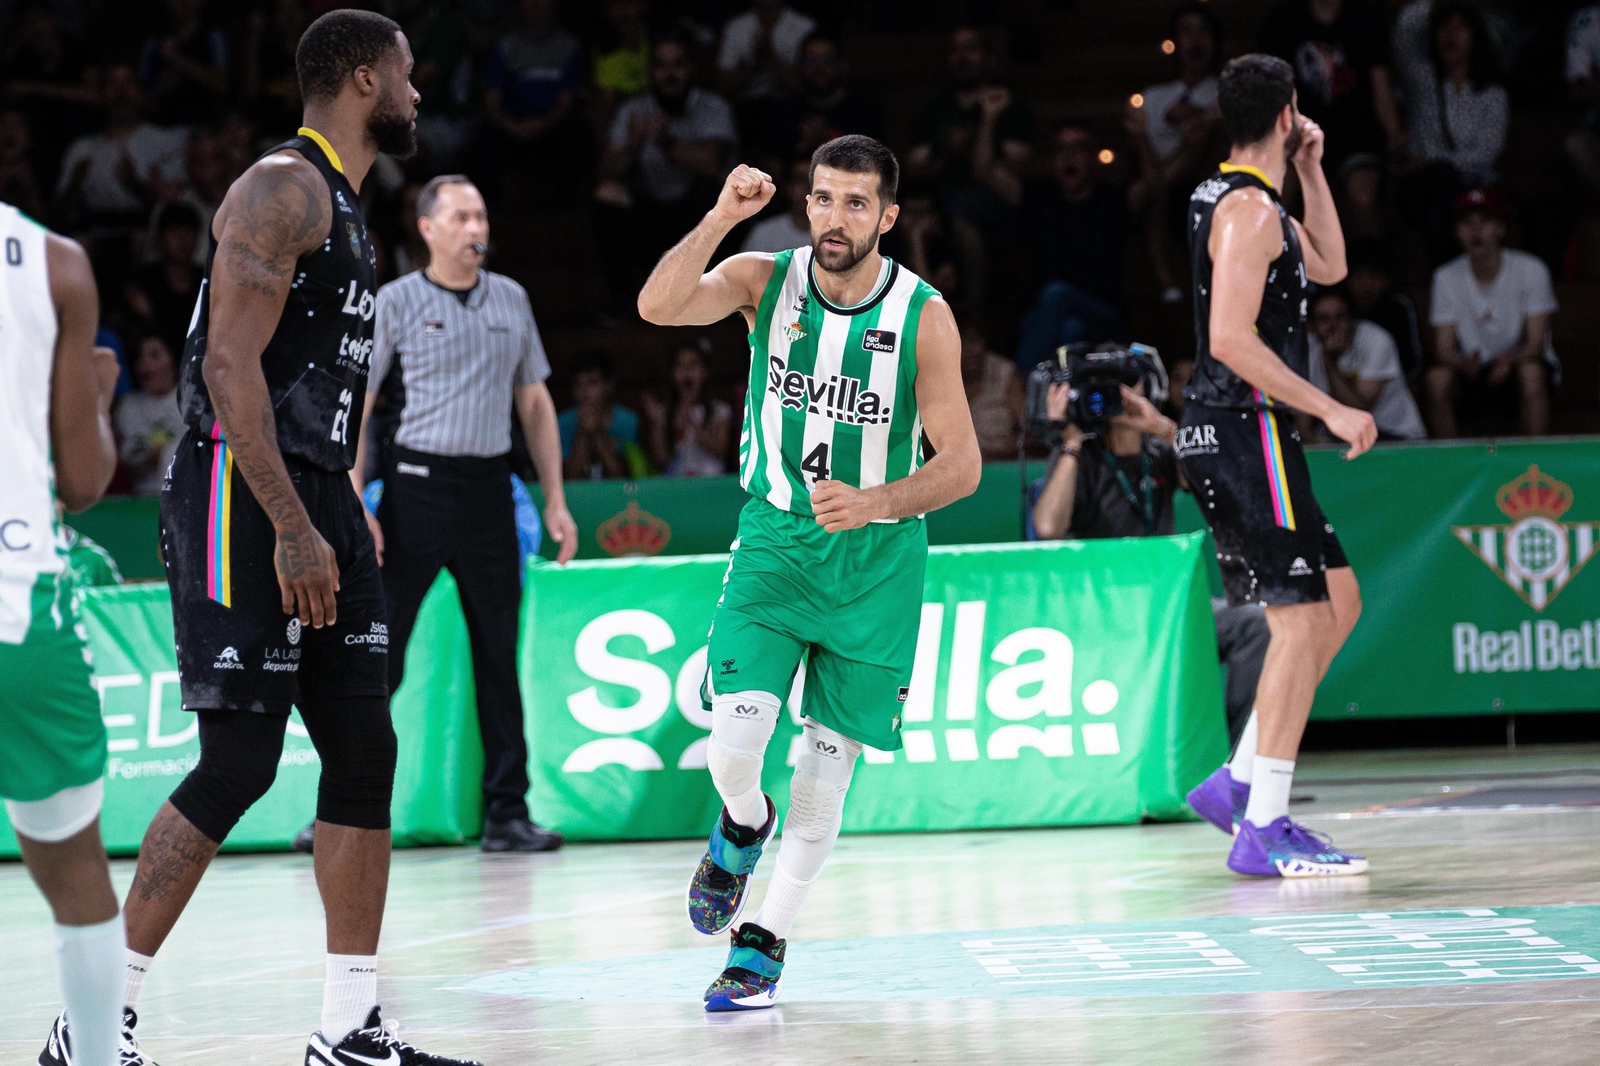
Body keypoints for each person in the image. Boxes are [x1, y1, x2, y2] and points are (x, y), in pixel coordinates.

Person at [38, 12, 481, 1065]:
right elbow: (227, 368)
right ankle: (91, 1026)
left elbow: (314, 382)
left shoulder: (350, 208)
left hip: (317, 490)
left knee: (364, 749)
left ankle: (348, 1028)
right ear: (363, 79)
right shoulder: (283, 187)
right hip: (241, 489)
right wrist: (289, 524)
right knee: (238, 758)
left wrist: (340, 505)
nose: (417, 95)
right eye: (407, 76)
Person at [637, 136, 982, 1010]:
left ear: (887, 217)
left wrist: (877, 501)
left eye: (856, 203)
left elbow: (964, 464)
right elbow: (657, 306)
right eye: (823, 198)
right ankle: (743, 821)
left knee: (825, 782)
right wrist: (722, 215)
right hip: (777, 543)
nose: (835, 217)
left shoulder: (923, 315)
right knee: (737, 741)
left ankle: (763, 940)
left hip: (877, 563)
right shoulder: (767, 280)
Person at [311, 173, 577, 855]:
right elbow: (361, 405)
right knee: (380, 651)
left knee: (498, 655)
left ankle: (507, 813)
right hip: (415, 489)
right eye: (460, 217)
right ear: (426, 228)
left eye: (480, 215)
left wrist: (554, 498)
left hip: (488, 490)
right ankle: (340, 805)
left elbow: (535, 403)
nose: (475, 228)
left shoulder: (511, 298)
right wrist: (355, 501)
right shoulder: (395, 301)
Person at [1176, 55, 1376, 878]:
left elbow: (1330, 265)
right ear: (1289, 112)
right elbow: (1229, 337)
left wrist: (1313, 169)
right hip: (1240, 429)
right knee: (1298, 621)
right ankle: (1264, 824)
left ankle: (1238, 781)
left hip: (1248, 431)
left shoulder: (1242, 197)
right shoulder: (1249, 212)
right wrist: (1330, 407)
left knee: (1338, 601)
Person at [3, 202, 126, 1066]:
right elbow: (83, 481)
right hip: (18, 602)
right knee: (75, 871)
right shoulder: (54, 264)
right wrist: (98, 397)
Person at [1030, 373, 1268, 742]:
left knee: (1255, 623)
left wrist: (1164, 429)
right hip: (1104, 606)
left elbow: (1222, 487)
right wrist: (1071, 442)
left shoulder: (1160, 451)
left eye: (1129, 384)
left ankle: (1233, 755)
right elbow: (1047, 527)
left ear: (1149, 390)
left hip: (1167, 604)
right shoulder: (1078, 457)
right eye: (1109, 387)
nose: (1119, 395)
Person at [597, 37, 739, 301]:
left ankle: (707, 300)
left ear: (692, 68)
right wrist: (632, 148)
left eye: (678, 64)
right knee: (608, 193)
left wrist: (667, 142)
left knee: (714, 195)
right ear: (651, 71)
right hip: (648, 211)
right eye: (661, 66)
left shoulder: (712, 107)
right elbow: (607, 172)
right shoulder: (633, 110)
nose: (670, 74)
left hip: (695, 214)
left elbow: (712, 165)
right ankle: (622, 301)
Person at [1258, 0, 1405, 238]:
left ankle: (1369, 260)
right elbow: (1273, 91)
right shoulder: (1283, 20)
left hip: (1356, 135)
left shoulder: (1366, 17)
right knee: (1275, 196)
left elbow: (1381, 86)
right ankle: (1278, 260)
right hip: (1298, 134)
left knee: (1363, 198)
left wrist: (1395, 135)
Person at [1425, 188, 1558, 438]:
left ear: (1501, 228)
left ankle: (1534, 456)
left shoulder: (1532, 269)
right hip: (1472, 370)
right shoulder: (1445, 276)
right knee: (1436, 379)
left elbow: (1536, 344)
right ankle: (1450, 460)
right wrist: (1462, 362)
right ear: (1457, 231)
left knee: (1532, 372)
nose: (1476, 231)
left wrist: (1509, 360)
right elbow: (1443, 348)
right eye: (1467, 223)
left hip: (1518, 364)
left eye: (1485, 221)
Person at [1393, 0, 1509, 266]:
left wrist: (1432, 160)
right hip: (1421, 186)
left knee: (1441, 207)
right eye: (1444, 28)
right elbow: (1403, 34)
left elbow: (1486, 154)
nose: (1450, 36)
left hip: (1470, 186)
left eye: (1460, 28)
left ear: (1475, 36)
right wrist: (1434, 4)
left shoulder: (1492, 94)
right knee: (1438, 185)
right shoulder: (1422, 81)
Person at [1127, 2, 1227, 302]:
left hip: (1211, 182)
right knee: (1156, 195)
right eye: (1186, 31)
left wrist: (1198, 115)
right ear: (1174, 42)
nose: (1195, 39)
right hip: (1162, 183)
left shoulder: (1226, 90)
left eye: (1203, 31)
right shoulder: (1151, 97)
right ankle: (1168, 287)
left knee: (1200, 135)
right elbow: (1142, 153)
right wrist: (1141, 138)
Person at [1014, 123, 1131, 370]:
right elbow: (985, 171)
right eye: (1061, 149)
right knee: (1070, 328)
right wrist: (990, 118)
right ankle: (1055, 392)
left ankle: (1019, 378)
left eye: (1078, 148)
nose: (1069, 156)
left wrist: (1141, 137)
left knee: (1056, 293)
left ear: (1092, 156)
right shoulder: (1041, 198)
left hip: (1105, 312)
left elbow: (1156, 184)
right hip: (1053, 315)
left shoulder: (1112, 199)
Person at [907, 26, 1034, 231]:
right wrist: (947, 150)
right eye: (955, 49)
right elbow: (914, 164)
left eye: (971, 48)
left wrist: (985, 126)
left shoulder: (1008, 104)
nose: (962, 57)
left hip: (995, 199)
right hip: (940, 195)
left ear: (988, 57)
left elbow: (1019, 162)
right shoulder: (933, 108)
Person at [1304, 287, 1427, 441]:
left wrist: (1329, 361)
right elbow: (1303, 421)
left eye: (1340, 317)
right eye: (1323, 319)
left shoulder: (1376, 340)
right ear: (1311, 325)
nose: (1333, 325)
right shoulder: (1308, 347)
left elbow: (1358, 409)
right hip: (1338, 439)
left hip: (1395, 437)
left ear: (1352, 319)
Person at [764, 31, 886, 161]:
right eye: (811, 60)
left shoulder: (865, 112)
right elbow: (772, 164)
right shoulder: (786, 111)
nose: (819, 67)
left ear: (842, 66)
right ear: (800, 66)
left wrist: (826, 142)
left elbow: (874, 165)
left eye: (827, 60)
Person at [644, 339, 734, 476]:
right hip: (678, 483)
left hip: (711, 481)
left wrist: (693, 423)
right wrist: (656, 424)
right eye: (680, 365)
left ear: (705, 371)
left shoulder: (720, 410)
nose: (686, 371)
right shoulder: (665, 412)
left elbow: (720, 450)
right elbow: (661, 459)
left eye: (693, 364)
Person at [124, 203, 203, 356]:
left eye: (189, 232)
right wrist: (146, 317)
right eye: (175, 232)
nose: (182, 239)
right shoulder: (143, 282)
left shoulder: (208, 280)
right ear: (159, 239)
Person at [137, 0, 232, 128]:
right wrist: (160, 87)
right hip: (160, 129)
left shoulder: (214, 35)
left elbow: (221, 84)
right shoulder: (154, 40)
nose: (183, 2)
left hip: (204, 128)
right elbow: (140, 97)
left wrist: (176, 59)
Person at [113, 334, 185, 497]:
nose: (146, 366)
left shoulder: (193, 402)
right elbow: (126, 456)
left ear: (173, 361)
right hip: (143, 499)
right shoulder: (128, 406)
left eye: (155, 356)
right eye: (140, 358)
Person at [1345, 237, 1424, 381]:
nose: (1366, 285)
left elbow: (1413, 365)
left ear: (1387, 279)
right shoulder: (1338, 307)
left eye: (1373, 276)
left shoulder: (1399, 306)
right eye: (1358, 276)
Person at [559, 349, 644, 480]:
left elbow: (621, 477)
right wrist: (582, 431)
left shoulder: (628, 421)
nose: (584, 392)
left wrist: (597, 433)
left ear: (609, 385)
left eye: (592, 383)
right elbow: (571, 479)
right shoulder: (563, 422)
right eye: (579, 384)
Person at [959, 319, 1022, 462]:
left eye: (973, 341)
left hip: (999, 465)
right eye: (960, 343)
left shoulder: (1005, 374)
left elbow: (1031, 432)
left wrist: (1005, 450)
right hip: (952, 468)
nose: (968, 351)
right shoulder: (938, 378)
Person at [742, 157, 812, 253]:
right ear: (787, 187)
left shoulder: (831, 235)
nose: (807, 186)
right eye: (800, 179)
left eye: (813, 180)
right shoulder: (764, 234)